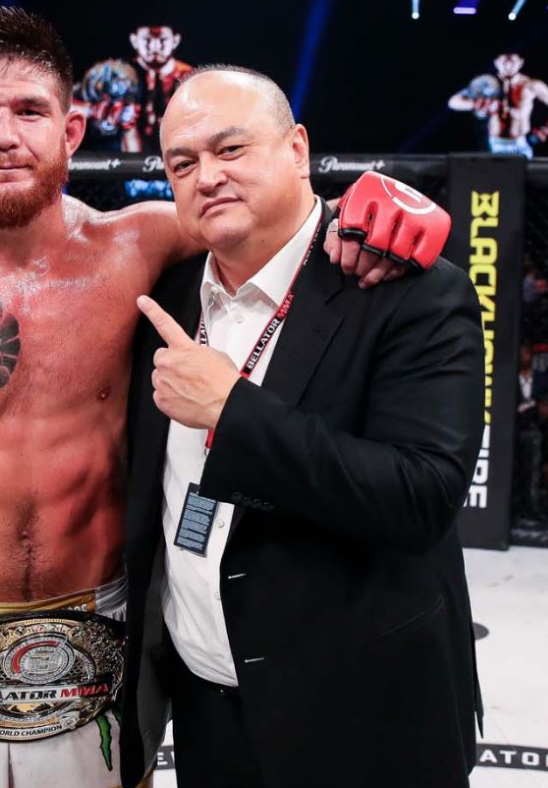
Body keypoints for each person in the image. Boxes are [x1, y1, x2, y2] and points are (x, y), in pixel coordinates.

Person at [0, 7, 449, 787]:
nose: (3, 136)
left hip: (101, 634)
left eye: (29, 111)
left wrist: (370, 209)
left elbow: (272, 217)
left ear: (72, 130)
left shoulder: (140, 244)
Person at [122, 66, 482, 787]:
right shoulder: (164, 290)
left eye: (231, 149)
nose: (208, 176)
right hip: (205, 705)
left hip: (364, 717)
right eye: (183, 164)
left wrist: (233, 411)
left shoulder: (407, 290)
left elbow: (421, 498)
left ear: (297, 149)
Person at [448, 53, 548, 158]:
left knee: (520, 177)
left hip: (521, 144)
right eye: (504, 61)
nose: (509, 65)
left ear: (520, 63)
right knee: (494, 177)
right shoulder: (485, 84)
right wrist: (478, 104)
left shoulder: (532, 85)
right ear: (496, 63)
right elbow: (453, 102)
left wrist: (546, 128)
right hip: (494, 144)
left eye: (513, 61)